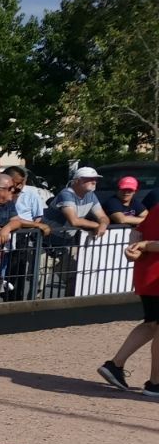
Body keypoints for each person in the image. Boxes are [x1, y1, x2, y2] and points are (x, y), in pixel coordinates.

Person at [96, 200, 159, 396]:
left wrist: (136, 249)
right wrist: (146, 246)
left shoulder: (156, 209)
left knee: (151, 324)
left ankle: (115, 364)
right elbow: (141, 238)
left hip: (146, 273)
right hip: (155, 276)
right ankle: (156, 383)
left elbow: (136, 233)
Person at [45, 166, 110, 298]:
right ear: (78, 181)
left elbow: (103, 216)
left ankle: (67, 311)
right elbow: (74, 220)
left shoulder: (91, 195)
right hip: (44, 244)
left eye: (96, 179)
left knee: (73, 280)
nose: (94, 182)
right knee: (36, 283)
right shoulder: (66, 194)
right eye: (90, 179)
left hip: (64, 244)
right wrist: (96, 225)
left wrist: (103, 224)